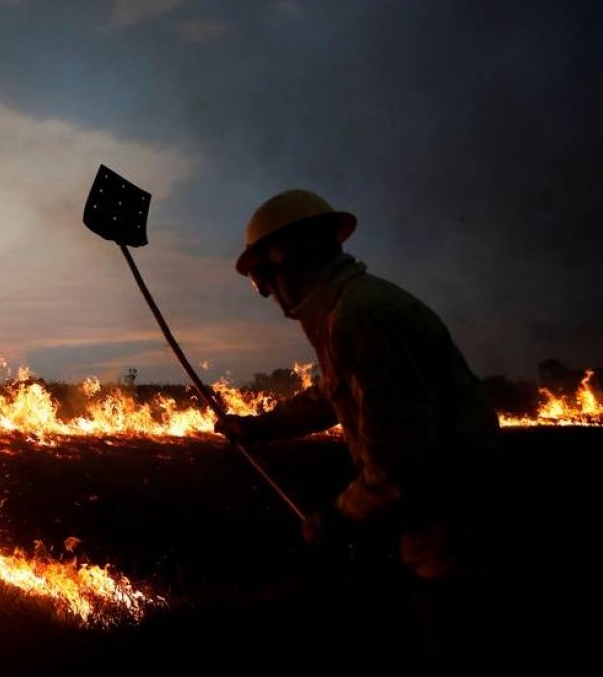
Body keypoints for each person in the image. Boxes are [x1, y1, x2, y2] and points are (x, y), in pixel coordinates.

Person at [215, 189, 503, 659]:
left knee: (454, 641)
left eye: (262, 278)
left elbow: (397, 465)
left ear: (288, 260)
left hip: (453, 529)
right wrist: (259, 427)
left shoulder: (358, 319)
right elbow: (333, 395)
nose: (266, 293)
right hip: (446, 514)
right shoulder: (350, 308)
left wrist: (334, 518)